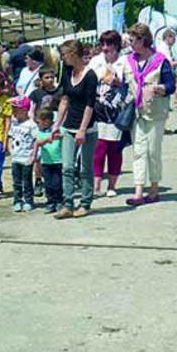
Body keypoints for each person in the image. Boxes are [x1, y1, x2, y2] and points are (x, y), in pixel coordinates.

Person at [123, 23, 176, 206]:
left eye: (132, 39)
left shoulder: (161, 61)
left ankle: (153, 189)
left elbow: (171, 86)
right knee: (138, 151)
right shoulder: (128, 61)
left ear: (143, 40)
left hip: (155, 112)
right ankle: (138, 191)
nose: (130, 43)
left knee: (153, 151)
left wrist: (157, 88)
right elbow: (125, 85)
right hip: (136, 113)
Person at [53, 40, 98, 220]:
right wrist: (57, 124)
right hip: (68, 126)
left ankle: (85, 203)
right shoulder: (67, 73)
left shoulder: (90, 75)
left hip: (87, 128)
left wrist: (82, 129)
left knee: (85, 168)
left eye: (65, 54)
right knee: (67, 167)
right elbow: (65, 100)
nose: (63, 58)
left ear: (73, 54)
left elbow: (90, 105)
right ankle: (68, 204)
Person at [89, 30, 125, 198]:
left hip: (116, 110)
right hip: (97, 110)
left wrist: (117, 81)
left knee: (114, 149)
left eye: (109, 44)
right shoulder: (95, 61)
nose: (105, 48)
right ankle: (96, 186)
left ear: (116, 46)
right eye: (102, 44)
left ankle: (112, 185)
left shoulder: (124, 61)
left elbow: (130, 84)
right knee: (99, 148)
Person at [8, 96, 38, 212]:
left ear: (25, 110)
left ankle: (28, 200)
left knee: (27, 180)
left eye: (16, 109)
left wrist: (34, 155)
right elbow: (11, 136)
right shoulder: (14, 123)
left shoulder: (31, 125)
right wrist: (9, 148)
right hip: (16, 157)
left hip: (27, 158)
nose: (14, 112)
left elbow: (36, 140)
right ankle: (17, 200)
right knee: (16, 181)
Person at [34, 108, 63, 214]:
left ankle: (59, 201)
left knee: (57, 183)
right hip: (46, 162)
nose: (38, 124)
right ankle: (50, 202)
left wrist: (59, 136)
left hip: (58, 161)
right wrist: (47, 139)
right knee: (48, 184)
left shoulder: (57, 129)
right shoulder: (40, 132)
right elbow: (38, 142)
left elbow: (64, 136)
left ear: (46, 121)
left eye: (39, 122)